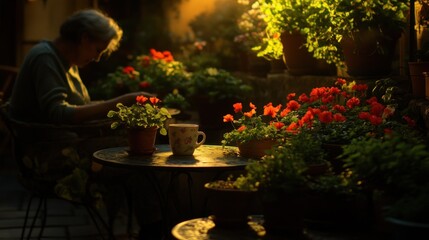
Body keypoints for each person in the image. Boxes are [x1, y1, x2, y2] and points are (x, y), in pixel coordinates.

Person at [8, 9, 164, 239]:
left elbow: (82, 107)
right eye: (97, 50)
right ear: (84, 38)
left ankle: (148, 228)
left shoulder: (65, 63)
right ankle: (154, 230)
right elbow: (58, 113)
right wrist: (120, 102)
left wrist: (123, 106)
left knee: (141, 148)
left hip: (66, 144)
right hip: (47, 157)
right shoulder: (45, 58)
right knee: (139, 156)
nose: (98, 58)